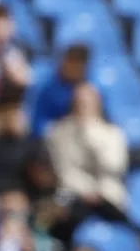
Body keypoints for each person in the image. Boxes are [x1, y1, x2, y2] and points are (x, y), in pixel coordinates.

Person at [45, 82, 129, 211]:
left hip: (107, 195)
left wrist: (91, 134)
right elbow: (63, 171)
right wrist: (87, 191)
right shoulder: (58, 132)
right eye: (79, 102)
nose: (83, 106)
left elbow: (114, 168)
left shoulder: (112, 133)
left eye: (88, 102)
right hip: (73, 194)